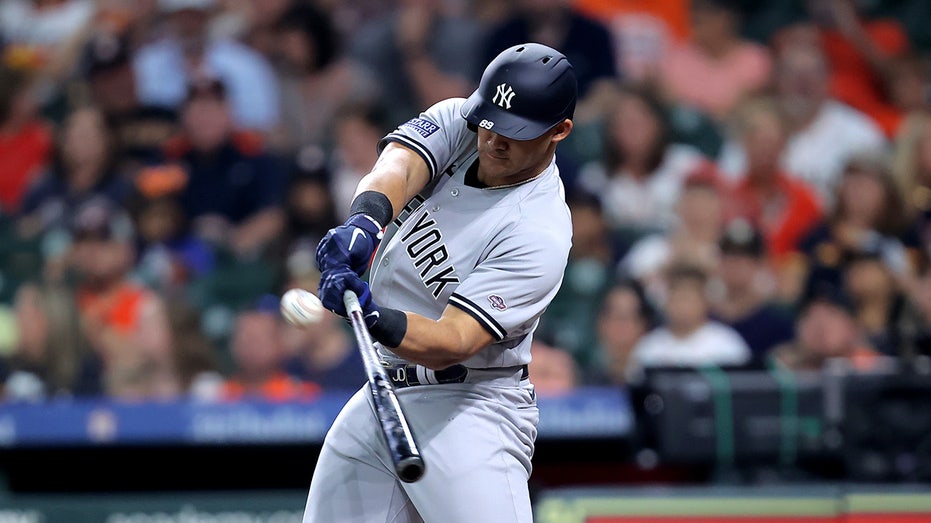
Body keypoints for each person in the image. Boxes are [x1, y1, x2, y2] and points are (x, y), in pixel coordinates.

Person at [304, 43, 576, 522]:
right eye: (489, 121)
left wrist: (372, 317)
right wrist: (365, 223)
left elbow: (455, 339)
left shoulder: (540, 230)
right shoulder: (464, 121)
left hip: (469, 407)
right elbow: (399, 166)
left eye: (514, 132)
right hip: (383, 391)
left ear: (559, 131)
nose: (493, 139)